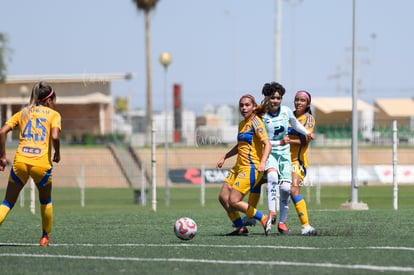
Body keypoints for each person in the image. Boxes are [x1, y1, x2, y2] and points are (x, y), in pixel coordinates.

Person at [0, 81, 61, 246]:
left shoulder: (23, 112)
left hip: (20, 162)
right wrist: (58, 153)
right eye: (54, 99)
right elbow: (55, 137)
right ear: (48, 100)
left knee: (7, 202)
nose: (54, 102)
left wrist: (3, 156)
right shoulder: (53, 115)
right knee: (46, 201)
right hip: (41, 164)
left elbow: (2, 132)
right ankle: (44, 237)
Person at [259, 82, 313, 235]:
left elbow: (296, 125)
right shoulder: (261, 115)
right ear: (267, 98)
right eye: (272, 98)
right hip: (270, 153)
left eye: (278, 98)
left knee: (286, 189)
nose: (275, 100)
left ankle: (282, 224)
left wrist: (307, 133)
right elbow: (262, 138)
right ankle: (271, 213)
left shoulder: (287, 112)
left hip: (286, 155)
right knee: (271, 176)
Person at [217, 94, 272, 236]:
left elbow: (267, 144)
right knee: (223, 197)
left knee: (234, 201)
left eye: (247, 105)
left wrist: (263, 162)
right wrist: (225, 156)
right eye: (241, 105)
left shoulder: (256, 122)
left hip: (251, 168)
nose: (243, 108)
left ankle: (263, 218)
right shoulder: (242, 124)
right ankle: (240, 228)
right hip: (238, 167)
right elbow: (240, 145)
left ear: (254, 107)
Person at [288, 90, 317, 235]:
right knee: (260, 181)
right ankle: (252, 217)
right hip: (281, 160)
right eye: (296, 99)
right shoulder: (287, 116)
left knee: (294, 190)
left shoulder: (309, 119)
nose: (298, 102)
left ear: (308, 104)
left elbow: (305, 140)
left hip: (297, 161)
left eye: (302, 100)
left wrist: (288, 140)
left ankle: (306, 226)